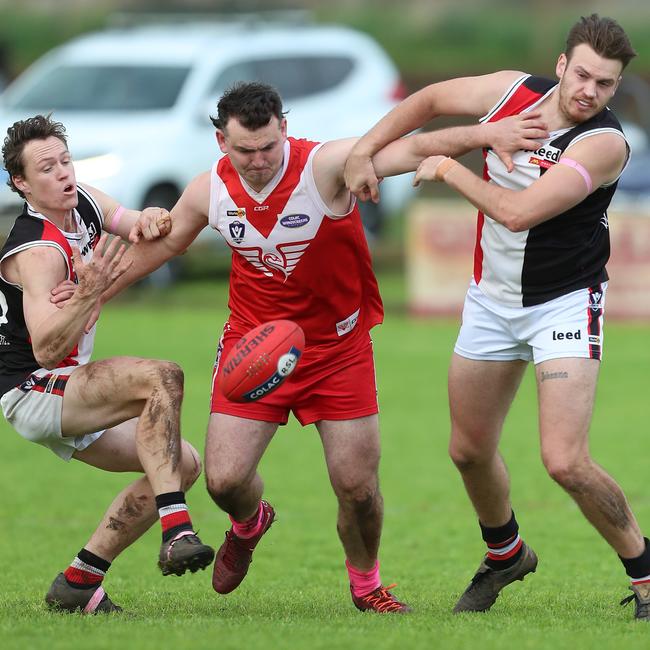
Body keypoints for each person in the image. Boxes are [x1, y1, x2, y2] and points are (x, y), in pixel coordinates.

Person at [92, 81, 547, 613]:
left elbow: (414, 148)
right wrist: (89, 299)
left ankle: (366, 583)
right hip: (254, 345)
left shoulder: (325, 166)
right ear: (221, 142)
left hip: (338, 347)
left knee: (356, 486)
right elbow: (162, 248)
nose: (260, 160)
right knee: (224, 480)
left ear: (284, 129)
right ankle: (249, 522)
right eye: (245, 151)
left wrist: (490, 133)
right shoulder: (207, 191)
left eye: (269, 146)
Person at [344, 13, 650, 620]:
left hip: (563, 303)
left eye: (606, 84)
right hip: (492, 300)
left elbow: (518, 213)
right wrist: (363, 150)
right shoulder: (513, 91)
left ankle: (644, 573)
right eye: (583, 75)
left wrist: (453, 162)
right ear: (562, 66)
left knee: (565, 460)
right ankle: (505, 553)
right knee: (468, 449)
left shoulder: (606, 144)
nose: (591, 91)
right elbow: (429, 99)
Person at [0, 114, 214, 614]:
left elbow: (134, 221)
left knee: (181, 463)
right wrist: (89, 293)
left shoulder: (84, 202)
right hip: (36, 387)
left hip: (74, 385)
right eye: (46, 168)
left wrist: (151, 220)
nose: (63, 174)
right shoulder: (37, 250)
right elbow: (47, 349)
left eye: (65, 161)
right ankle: (177, 530)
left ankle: (80, 580)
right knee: (160, 376)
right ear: (22, 184)